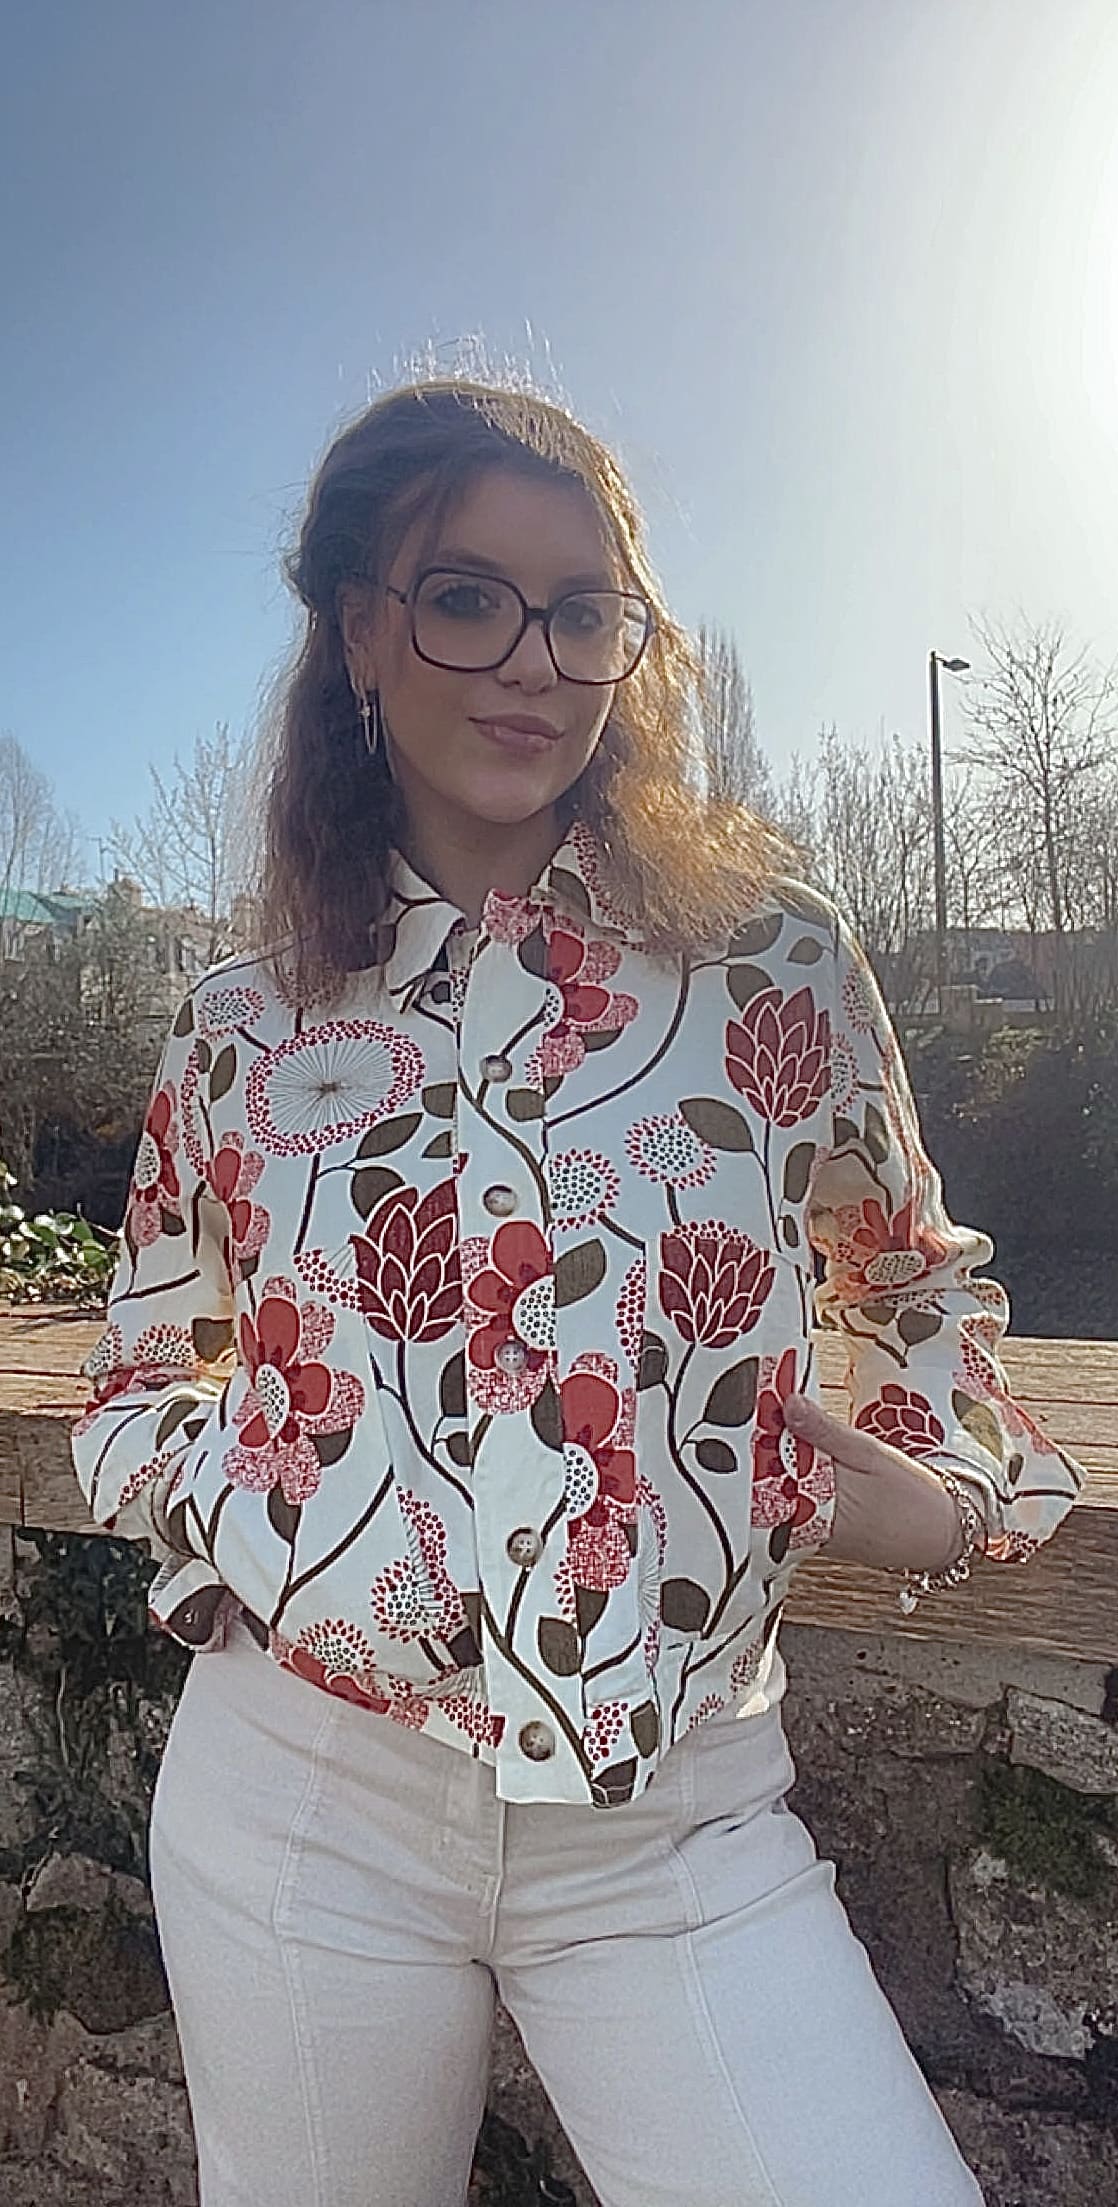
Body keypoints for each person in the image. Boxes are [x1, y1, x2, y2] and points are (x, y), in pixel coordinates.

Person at [72, 377, 1083, 2207]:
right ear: (360, 633)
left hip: (675, 1821)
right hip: (301, 1807)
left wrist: (943, 1502)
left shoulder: (766, 961)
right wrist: (264, 1514)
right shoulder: (243, 1024)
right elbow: (140, 1374)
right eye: (466, 598)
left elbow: (915, 1283)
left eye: (583, 610)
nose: (533, 661)